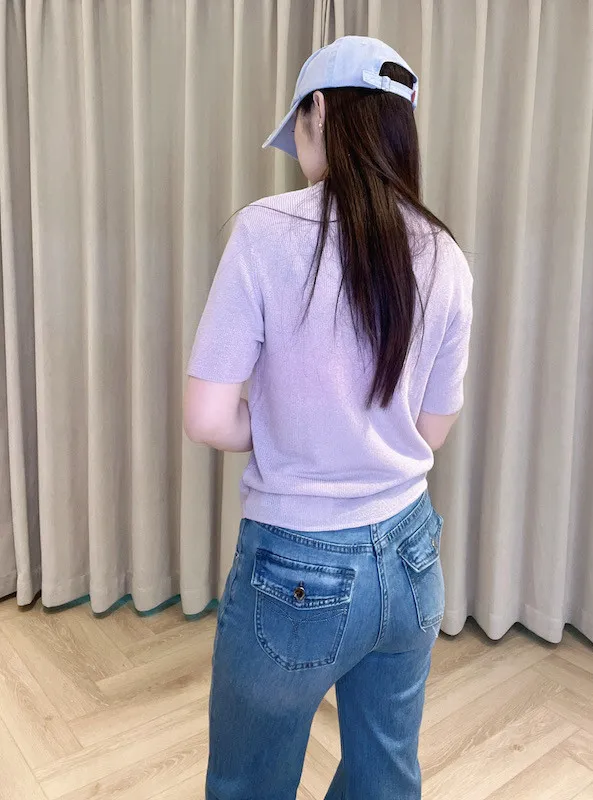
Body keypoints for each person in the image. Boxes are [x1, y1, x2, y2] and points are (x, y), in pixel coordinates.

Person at [184, 35, 473, 800]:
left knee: (248, 783)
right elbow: (432, 430)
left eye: (300, 130)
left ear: (318, 110)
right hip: (410, 557)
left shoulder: (264, 232)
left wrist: (283, 428)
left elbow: (207, 418)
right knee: (385, 776)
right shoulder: (444, 255)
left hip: (295, 567)